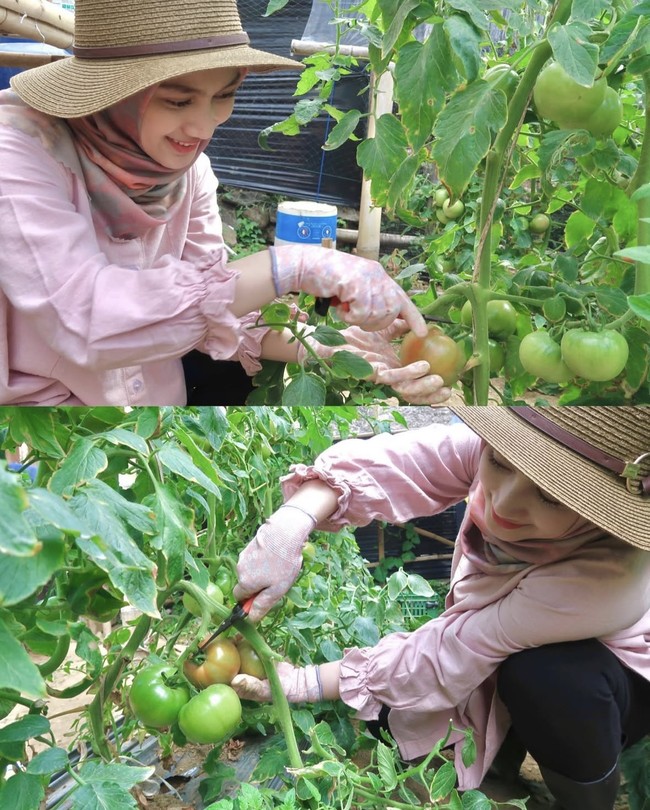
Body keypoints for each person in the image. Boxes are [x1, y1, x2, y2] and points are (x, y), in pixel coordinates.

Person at [0, 0, 450, 406]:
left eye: (224, 96)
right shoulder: (18, 154)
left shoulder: (188, 172)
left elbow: (213, 303)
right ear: (109, 94)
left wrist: (332, 345)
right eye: (178, 100)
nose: (203, 127)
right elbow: (83, 319)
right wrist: (293, 265)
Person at [231, 406, 650, 810]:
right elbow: (391, 463)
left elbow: (456, 649)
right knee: (394, 713)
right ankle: (501, 769)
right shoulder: (500, 447)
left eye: (551, 497)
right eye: (500, 463)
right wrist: (292, 522)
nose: (502, 503)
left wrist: (305, 682)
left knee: (549, 678)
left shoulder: (612, 576)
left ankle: (586, 800)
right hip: (500, 643)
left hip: (611, 682)